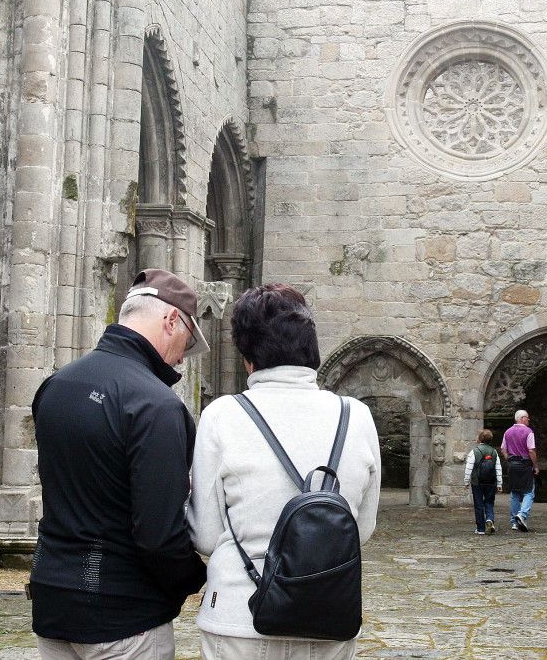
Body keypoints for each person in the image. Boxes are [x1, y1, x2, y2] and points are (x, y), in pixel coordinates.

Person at [187, 283, 382, 659]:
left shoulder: (222, 415)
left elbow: (207, 536)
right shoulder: (355, 415)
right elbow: (362, 527)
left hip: (239, 616)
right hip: (328, 614)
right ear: (311, 349)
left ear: (248, 358)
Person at [30, 269, 209, 659]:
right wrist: (199, 578)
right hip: (123, 617)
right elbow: (158, 535)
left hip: (51, 601)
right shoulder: (154, 404)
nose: (182, 356)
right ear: (171, 319)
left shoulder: (55, 385)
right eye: (187, 342)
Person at [500, 409, 538, 532]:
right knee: (529, 492)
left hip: (512, 464)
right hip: (525, 464)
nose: (529, 420)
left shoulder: (507, 432)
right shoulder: (528, 432)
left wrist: (509, 460)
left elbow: (503, 449)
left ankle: (514, 522)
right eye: (527, 417)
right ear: (521, 418)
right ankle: (522, 514)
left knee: (515, 493)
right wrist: (535, 465)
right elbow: (531, 450)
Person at [464, 429, 504, 535]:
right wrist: (499, 483)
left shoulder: (474, 451)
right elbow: (498, 468)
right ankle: (489, 519)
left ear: (480, 439)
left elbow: (469, 468)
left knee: (478, 504)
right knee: (489, 502)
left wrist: (466, 481)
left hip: (477, 482)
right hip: (491, 482)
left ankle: (480, 528)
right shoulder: (494, 452)